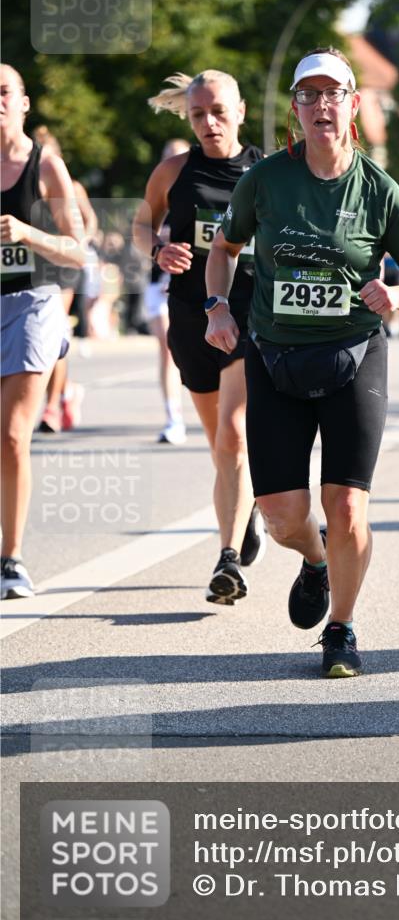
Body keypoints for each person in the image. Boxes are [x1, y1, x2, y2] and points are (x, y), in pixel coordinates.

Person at [205, 46, 399, 677]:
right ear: (295, 109)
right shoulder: (266, 179)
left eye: (331, 93)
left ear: (353, 104)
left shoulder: (379, 191)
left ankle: (341, 628)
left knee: (346, 506)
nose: (320, 106)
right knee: (283, 517)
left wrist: (397, 294)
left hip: (353, 355)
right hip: (275, 357)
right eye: (307, 96)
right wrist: (216, 308)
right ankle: (314, 560)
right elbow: (223, 248)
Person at [133, 69, 266, 604]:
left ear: (240, 111)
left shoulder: (268, 170)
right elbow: (144, 222)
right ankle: (247, 506)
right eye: (197, 115)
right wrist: (157, 250)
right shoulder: (173, 171)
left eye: (217, 111)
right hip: (191, 317)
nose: (208, 123)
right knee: (221, 447)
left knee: (234, 435)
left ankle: (227, 560)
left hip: (250, 316)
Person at [1, 64, 85, 599]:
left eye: (3, 92)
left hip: (33, 302)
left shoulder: (44, 165)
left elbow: (79, 249)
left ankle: (10, 558)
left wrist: (29, 231)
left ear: (24, 103)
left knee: (11, 436)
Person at [30, 127, 95, 433]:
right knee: (44, 338)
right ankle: (68, 391)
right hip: (37, 263)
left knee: (54, 333)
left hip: (66, 264)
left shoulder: (72, 186)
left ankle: (53, 405)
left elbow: (89, 219)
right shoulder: (26, 180)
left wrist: (84, 242)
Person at [143, 137, 190, 444]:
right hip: (159, 283)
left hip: (194, 285)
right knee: (167, 347)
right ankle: (173, 417)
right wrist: (159, 242)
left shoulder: (199, 192)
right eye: (168, 157)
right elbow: (140, 229)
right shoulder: (158, 190)